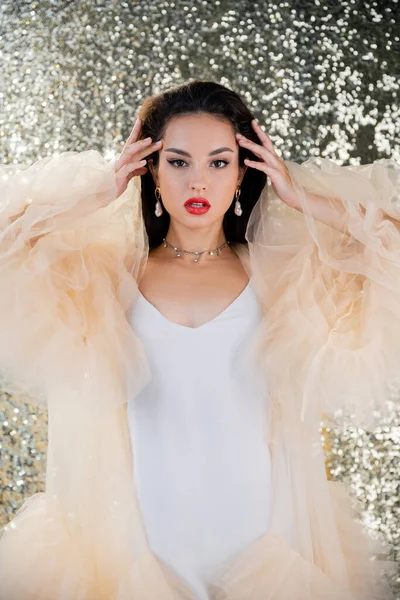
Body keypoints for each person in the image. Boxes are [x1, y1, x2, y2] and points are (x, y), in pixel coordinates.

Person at [0, 80, 398, 599]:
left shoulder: (280, 275)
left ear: (242, 173)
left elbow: (390, 242)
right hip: (138, 538)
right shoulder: (107, 274)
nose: (198, 183)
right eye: (179, 161)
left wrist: (298, 195)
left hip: (259, 533)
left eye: (218, 162)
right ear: (152, 170)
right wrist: (99, 191)